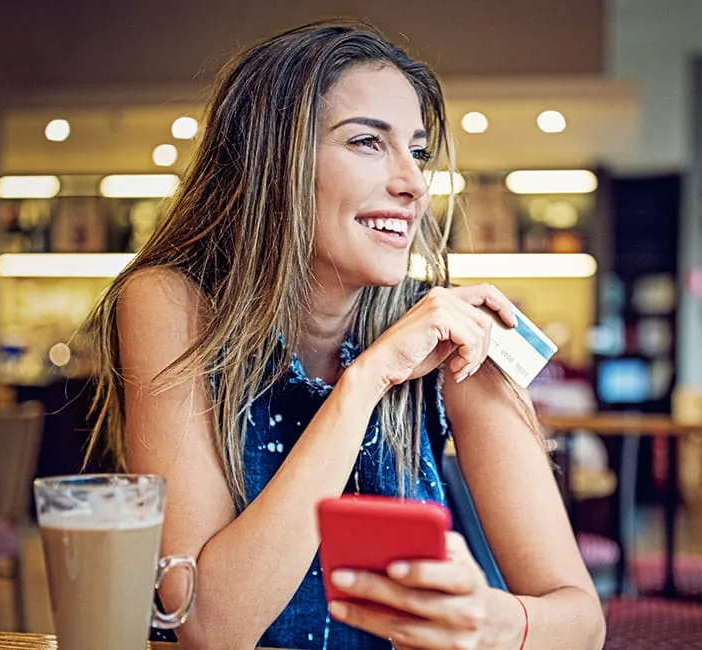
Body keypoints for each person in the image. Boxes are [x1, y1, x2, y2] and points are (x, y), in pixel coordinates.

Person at [83, 20, 606, 650]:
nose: (413, 183)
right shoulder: (171, 302)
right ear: (269, 164)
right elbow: (206, 627)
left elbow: (581, 621)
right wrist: (364, 381)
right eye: (366, 142)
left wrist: (495, 624)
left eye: (416, 151)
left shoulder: (461, 337)